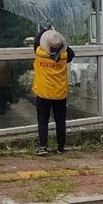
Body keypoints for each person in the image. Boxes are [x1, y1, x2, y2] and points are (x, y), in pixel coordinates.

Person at [32, 24, 75, 156]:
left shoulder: (39, 53)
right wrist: (57, 35)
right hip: (60, 94)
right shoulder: (66, 56)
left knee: (43, 120)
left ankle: (43, 147)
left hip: (43, 92)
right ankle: (61, 147)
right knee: (60, 121)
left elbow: (36, 40)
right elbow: (69, 49)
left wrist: (45, 30)